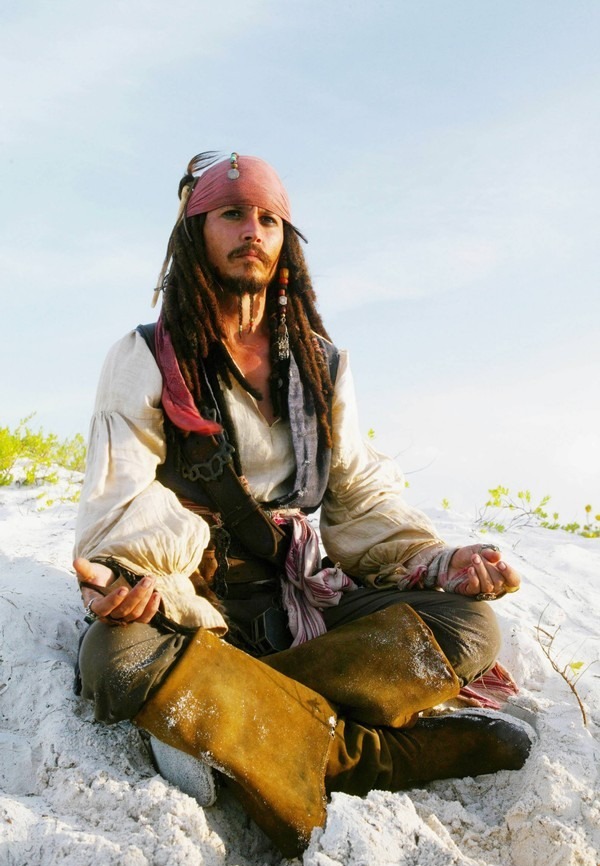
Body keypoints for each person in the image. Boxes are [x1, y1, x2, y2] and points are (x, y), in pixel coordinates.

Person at [73, 151, 531, 857]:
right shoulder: (145, 356)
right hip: (194, 594)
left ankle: (234, 718)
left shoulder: (322, 363)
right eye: (232, 214)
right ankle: (373, 756)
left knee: (471, 628)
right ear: (195, 231)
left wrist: (442, 560)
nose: (252, 231)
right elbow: (122, 492)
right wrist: (131, 579)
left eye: (268, 219)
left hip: (301, 594)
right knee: (116, 658)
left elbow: (359, 491)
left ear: (285, 238)